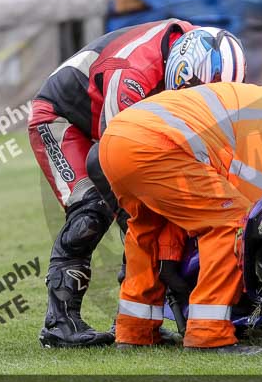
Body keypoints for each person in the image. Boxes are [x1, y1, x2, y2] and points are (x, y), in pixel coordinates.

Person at [98, 81, 262, 354]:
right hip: (160, 145)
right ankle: (208, 335)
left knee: (148, 231)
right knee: (232, 225)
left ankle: (135, 331)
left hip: (117, 140)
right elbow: (252, 217)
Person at [28, 19, 247, 348]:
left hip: (119, 125)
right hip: (65, 119)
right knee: (97, 210)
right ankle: (59, 323)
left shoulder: (212, 64)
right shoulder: (133, 74)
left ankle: (139, 322)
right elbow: (115, 165)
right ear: (180, 73)